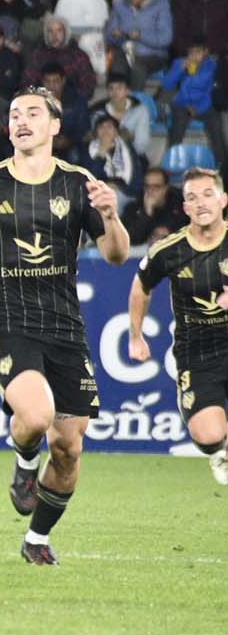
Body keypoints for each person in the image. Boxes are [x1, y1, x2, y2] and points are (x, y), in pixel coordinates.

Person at [0, 85, 130, 565]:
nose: (21, 121)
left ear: (54, 126)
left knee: (68, 449)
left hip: (64, 325)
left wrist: (110, 214)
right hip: (6, 317)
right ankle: (24, 463)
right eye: (15, 114)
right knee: (37, 418)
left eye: (33, 114)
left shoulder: (79, 183)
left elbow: (116, 255)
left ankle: (36, 540)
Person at [129, 167, 228, 483]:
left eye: (208, 195)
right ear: (184, 207)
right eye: (192, 198)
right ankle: (220, 448)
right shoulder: (169, 251)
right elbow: (141, 285)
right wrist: (135, 336)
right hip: (196, 355)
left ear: (223, 200)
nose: (201, 203)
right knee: (208, 436)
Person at [104, 0, 172, 90]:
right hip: (126, 52)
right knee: (116, 66)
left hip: (153, 55)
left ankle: (135, 102)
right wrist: (116, 36)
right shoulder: (120, 6)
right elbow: (109, 37)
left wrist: (141, 35)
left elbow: (165, 39)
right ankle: (118, 102)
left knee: (137, 68)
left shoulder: (160, 5)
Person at [158, 41, 217, 148]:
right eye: (191, 52)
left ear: (205, 52)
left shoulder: (211, 66)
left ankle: (221, 162)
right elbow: (166, 85)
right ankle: (172, 157)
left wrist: (197, 108)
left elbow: (208, 93)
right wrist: (179, 69)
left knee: (216, 123)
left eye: (198, 52)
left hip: (202, 105)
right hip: (182, 104)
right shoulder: (179, 62)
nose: (194, 55)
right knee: (179, 120)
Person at [123, 166, 186, 245]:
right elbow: (130, 239)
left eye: (156, 187)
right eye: (147, 186)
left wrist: (170, 232)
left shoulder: (181, 202)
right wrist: (147, 213)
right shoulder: (134, 206)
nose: (151, 191)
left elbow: (191, 229)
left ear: (165, 188)